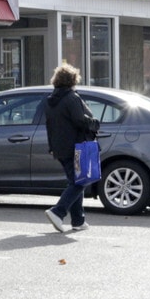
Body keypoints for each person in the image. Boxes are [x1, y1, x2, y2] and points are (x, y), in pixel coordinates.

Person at [42, 62, 99, 234]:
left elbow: (49, 126)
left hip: (59, 148)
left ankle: (78, 220)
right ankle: (58, 212)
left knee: (75, 180)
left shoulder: (49, 100)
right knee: (80, 182)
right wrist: (95, 123)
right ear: (73, 80)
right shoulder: (72, 98)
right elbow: (80, 121)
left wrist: (52, 147)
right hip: (76, 147)